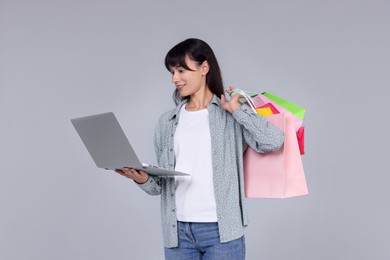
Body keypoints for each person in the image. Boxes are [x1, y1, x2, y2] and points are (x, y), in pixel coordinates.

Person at [115, 38, 284, 260]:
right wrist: (141, 179)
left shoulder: (229, 115)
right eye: (172, 72)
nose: (174, 78)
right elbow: (159, 189)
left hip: (221, 232)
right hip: (178, 233)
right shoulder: (167, 121)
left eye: (181, 70)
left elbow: (273, 141)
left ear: (204, 68)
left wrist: (238, 111)